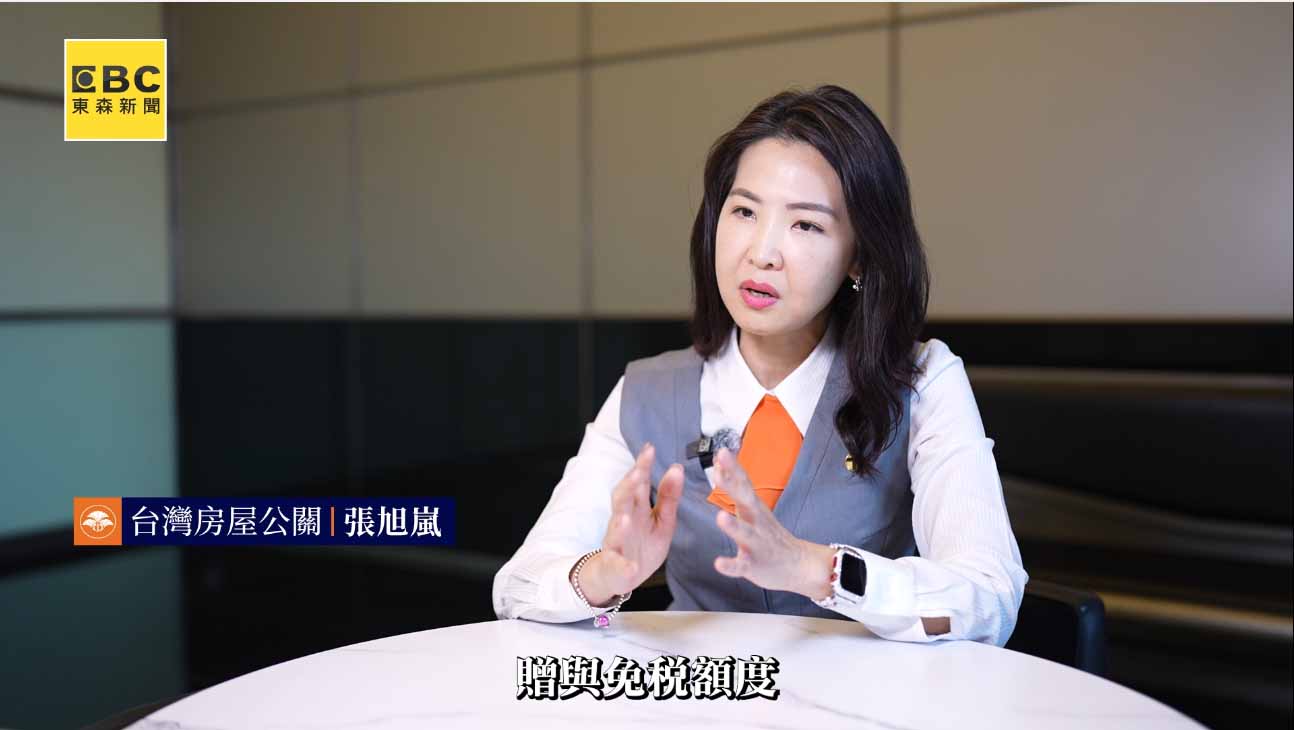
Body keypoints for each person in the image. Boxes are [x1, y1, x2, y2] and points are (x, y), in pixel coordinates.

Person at [492, 85, 1027, 646]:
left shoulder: (920, 381)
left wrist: (816, 569)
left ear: (859, 256)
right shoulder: (648, 391)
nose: (762, 253)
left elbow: (989, 596)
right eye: (744, 211)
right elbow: (517, 587)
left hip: (864, 693)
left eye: (806, 225)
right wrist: (606, 574)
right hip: (699, 689)